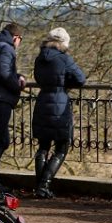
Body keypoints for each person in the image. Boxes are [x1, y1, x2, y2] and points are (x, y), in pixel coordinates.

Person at [32, 27, 87, 198]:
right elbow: (80, 79)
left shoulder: (40, 59)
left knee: (43, 146)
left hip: (42, 102)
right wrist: (65, 83)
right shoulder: (64, 59)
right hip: (60, 104)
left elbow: (38, 78)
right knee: (62, 147)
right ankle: (44, 185)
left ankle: (39, 187)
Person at [0, 22, 27, 193]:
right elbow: (3, 73)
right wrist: (17, 86)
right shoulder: (7, 48)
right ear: (16, 37)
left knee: (1, 140)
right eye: (20, 40)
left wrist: (18, 76)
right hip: (0, 100)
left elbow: (1, 71)